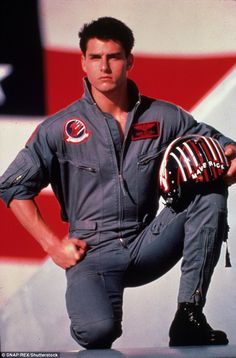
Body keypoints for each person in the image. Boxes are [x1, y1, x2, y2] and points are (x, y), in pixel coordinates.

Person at [0, 17, 236, 349]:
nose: (105, 66)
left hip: (146, 243)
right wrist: (53, 246)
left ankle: (189, 315)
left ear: (129, 61)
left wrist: (228, 164)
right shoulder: (60, 128)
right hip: (92, 255)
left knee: (211, 192)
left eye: (113, 57)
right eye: (96, 58)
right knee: (98, 333)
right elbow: (11, 185)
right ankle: (98, 317)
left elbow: (227, 148)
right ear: (83, 62)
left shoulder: (164, 117)